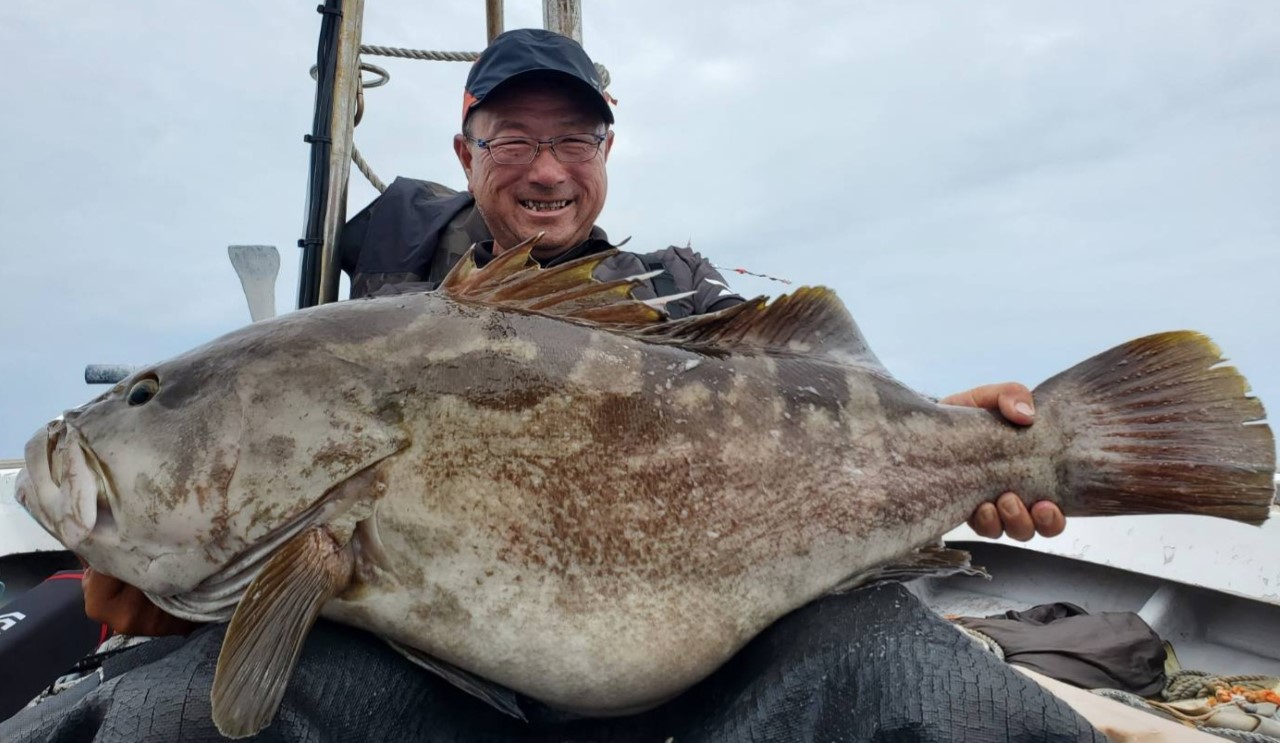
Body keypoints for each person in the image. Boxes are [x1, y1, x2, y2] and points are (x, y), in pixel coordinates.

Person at [5, 29, 1087, 742]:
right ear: (466, 149)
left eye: (573, 136)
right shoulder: (378, 318)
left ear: (606, 150)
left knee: (934, 691)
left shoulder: (686, 299)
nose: (545, 165)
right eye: (513, 136)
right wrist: (169, 580)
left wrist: (963, 443)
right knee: (165, 717)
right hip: (434, 690)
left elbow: (811, 405)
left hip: (709, 666)